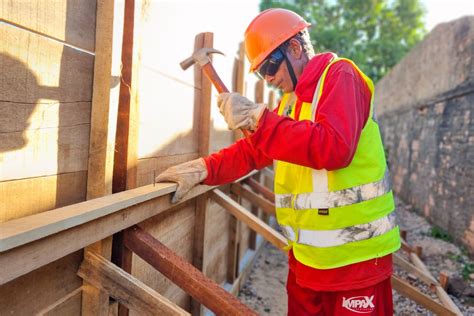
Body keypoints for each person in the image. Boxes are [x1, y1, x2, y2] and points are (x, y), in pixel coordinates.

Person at [156, 8, 400, 315]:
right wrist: (203, 169)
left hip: (357, 262)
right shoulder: (291, 103)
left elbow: (335, 147)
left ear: (295, 48)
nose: (269, 78)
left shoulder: (341, 77)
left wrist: (259, 118)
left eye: (270, 65)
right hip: (307, 260)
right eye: (261, 72)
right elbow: (254, 152)